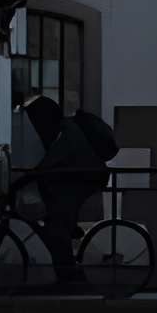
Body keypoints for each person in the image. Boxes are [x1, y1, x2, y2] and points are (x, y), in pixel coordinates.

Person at [21, 93, 113, 287]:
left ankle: (70, 275)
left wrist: (21, 181)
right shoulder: (63, 128)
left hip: (87, 180)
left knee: (57, 225)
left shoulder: (66, 133)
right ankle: (70, 240)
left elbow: (46, 165)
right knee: (56, 211)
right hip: (79, 178)